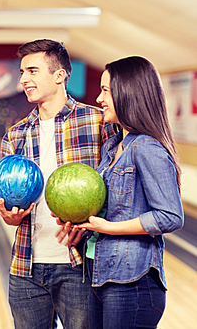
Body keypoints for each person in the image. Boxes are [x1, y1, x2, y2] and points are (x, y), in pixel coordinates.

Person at [0, 39, 118, 329]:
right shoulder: (15, 135)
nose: (24, 79)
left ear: (59, 75)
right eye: (22, 72)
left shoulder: (99, 121)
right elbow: (6, 204)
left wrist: (90, 222)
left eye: (33, 71)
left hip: (80, 266)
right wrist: (9, 216)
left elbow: (119, 188)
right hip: (26, 266)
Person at [57, 56, 184, 329]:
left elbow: (170, 216)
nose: (99, 98)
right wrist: (81, 222)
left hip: (132, 282)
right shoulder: (113, 146)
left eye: (106, 91)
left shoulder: (147, 148)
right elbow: (110, 208)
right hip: (98, 273)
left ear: (128, 93)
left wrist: (108, 228)